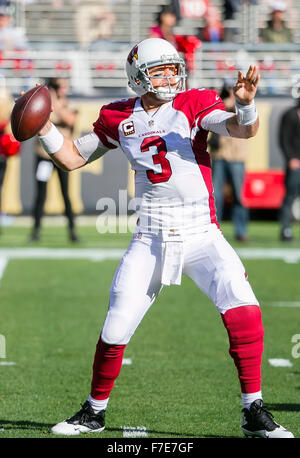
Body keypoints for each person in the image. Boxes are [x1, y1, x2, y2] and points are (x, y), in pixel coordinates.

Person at [34, 38, 293, 438]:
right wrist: (45, 128)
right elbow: (71, 157)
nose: (171, 75)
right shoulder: (118, 116)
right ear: (139, 76)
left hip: (201, 233)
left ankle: (252, 410)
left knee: (245, 310)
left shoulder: (193, 103)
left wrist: (245, 103)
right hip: (150, 237)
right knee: (116, 326)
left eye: (174, 67)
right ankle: (94, 411)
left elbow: (241, 129)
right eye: (160, 70)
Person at [29, 77, 79, 242]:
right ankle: (35, 231)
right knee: (40, 194)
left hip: (61, 157)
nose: (63, 89)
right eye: (60, 86)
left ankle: (72, 231)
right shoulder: (44, 105)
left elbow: (70, 120)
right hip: (44, 156)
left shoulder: (64, 104)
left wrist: (54, 104)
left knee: (65, 194)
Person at [209, 84, 249, 241]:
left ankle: (241, 231)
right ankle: (214, 229)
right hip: (219, 156)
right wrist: (222, 98)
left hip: (236, 158)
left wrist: (235, 98)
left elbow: (241, 115)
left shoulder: (240, 104)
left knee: (239, 196)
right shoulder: (220, 106)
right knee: (216, 195)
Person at [278, 96, 300, 241]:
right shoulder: (290, 114)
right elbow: (283, 139)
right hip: (295, 163)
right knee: (290, 196)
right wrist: (290, 158)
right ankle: (286, 229)